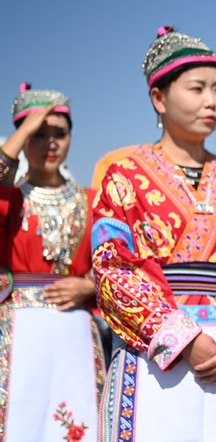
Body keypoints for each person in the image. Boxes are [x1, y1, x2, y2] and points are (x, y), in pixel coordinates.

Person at [91, 26, 216, 442]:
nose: (211, 101)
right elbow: (113, 267)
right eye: (197, 88)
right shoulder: (126, 176)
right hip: (156, 352)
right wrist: (183, 338)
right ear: (159, 97)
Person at [0, 83, 105, 441]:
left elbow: (118, 266)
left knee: (76, 420)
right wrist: (22, 130)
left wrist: (92, 285)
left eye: (58, 133)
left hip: (74, 331)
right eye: (38, 134)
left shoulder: (95, 201)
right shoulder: (8, 200)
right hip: (16, 332)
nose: (49, 143)